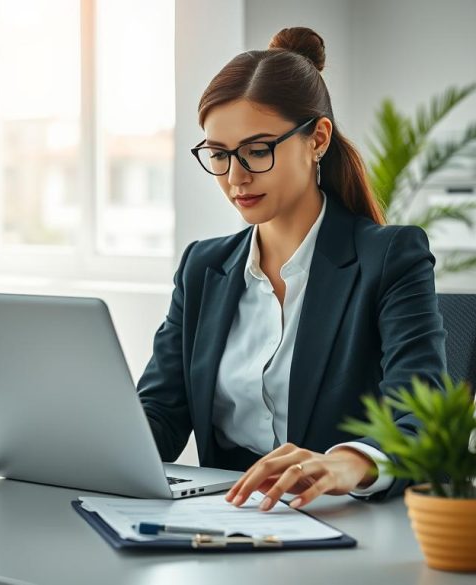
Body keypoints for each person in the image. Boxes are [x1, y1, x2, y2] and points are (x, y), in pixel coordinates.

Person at [136, 27, 447, 512]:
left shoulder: (390, 257)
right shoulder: (204, 267)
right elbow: (160, 415)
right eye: (218, 154)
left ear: (317, 139)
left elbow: (421, 417)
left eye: (257, 150)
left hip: (346, 522)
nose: (236, 176)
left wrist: (349, 462)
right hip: (226, 522)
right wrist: (79, 437)